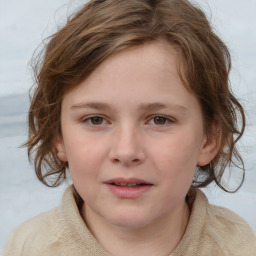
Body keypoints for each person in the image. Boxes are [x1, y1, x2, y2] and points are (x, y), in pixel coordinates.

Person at [3, 0, 256, 255]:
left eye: (160, 120)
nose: (126, 151)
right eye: (96, 120)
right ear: (58, 136)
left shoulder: (240, 246)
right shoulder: (28, 247)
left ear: (209, 140)